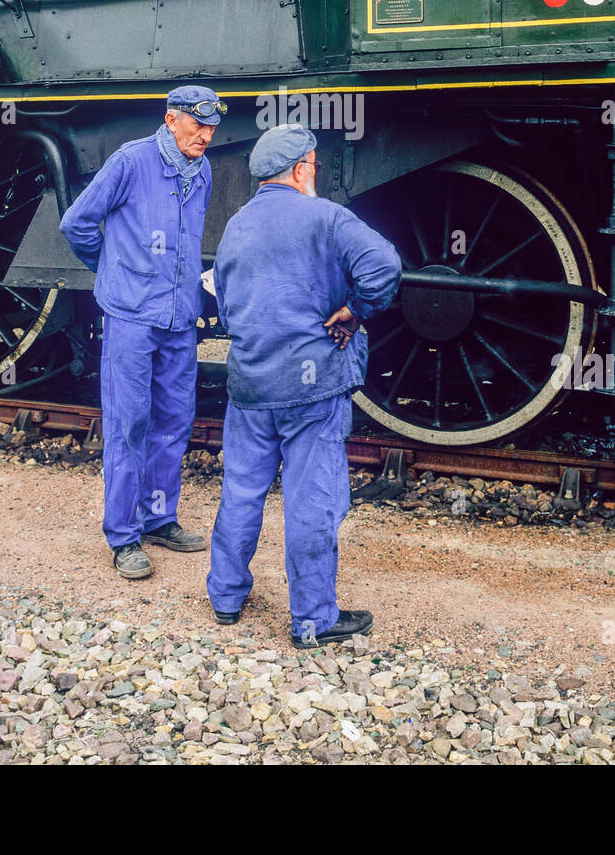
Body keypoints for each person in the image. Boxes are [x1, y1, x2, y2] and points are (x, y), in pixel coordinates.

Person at [206, 125, 402, 648]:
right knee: (311, 500)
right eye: (312, 166)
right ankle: (314, 618)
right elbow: (383, 265)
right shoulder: (326, 217)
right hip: (310, 389)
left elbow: (225, 307)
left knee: (242, 491)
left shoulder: (236, 226)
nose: (313, 174)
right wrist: (356, 311)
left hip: (249, 385)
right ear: (300, 170)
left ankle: (226, 597)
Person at [59, 84, 228, 579]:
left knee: (174, 422)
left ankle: (159, 518)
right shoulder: (130, 162)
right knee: (129, 425)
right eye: (198, 125)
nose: (207, 136)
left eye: (212, 127)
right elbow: (77, 224)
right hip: (132, 318)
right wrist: (113, 269)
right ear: (171, 119)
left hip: (178, 319)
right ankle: (124, 535)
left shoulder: (203, 169)